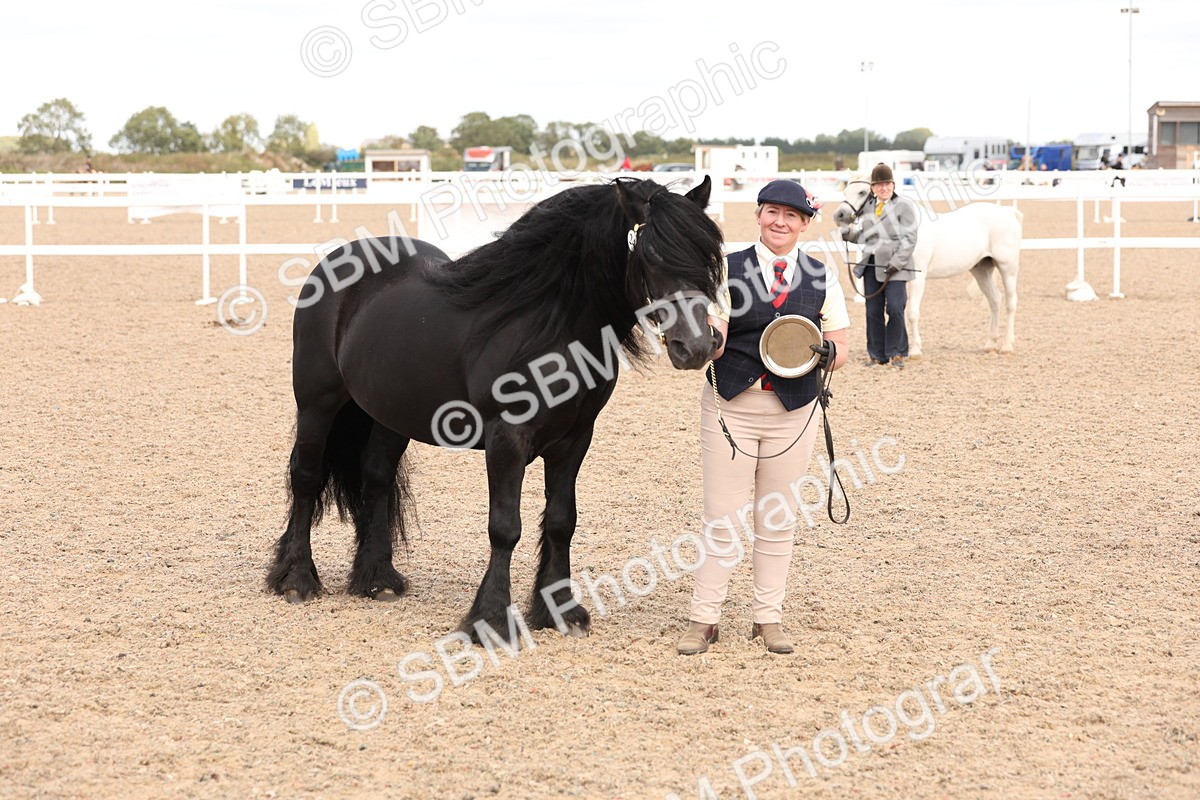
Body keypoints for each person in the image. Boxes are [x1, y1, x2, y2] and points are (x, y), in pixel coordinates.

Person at [676, 180, 850, 656]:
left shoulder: (821, 275)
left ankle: (767, 618)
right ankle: (704, 619)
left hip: (794, 411)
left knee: (778, 518)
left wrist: (826, 352)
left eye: (791, 216)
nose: (780, 222)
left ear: (805, 224)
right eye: (772, 211)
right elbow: (717, 332)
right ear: (758, 216)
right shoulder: (727, 270)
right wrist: (702, 334)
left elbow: (841, 346)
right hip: (732, 404)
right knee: (722, 519)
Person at [840, 162, 918, 368]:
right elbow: (865, 237)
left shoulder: (904, 206)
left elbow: (910, 239)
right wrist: (849, 235)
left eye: (887, 184)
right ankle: (876, 355)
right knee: (872, 311)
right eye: (879, 185)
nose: (884, 188)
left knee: (895, 308)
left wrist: (897, 262)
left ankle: (897, 352)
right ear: (873, 187)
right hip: (871, 266)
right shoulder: (868, 207)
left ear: (893, 185)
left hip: (896, 268)